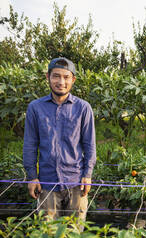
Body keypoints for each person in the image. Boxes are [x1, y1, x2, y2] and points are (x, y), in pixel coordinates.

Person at [23, 57, 96, 223]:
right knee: (48, 236)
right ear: (48, 77)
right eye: (56, 76)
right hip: (47, 183)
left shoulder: (83, 108)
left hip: (76, 182)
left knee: (75, 235)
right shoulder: (35, 108)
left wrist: (87, 174)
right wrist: (32, 176)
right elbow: (30, 144)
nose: (61, 82)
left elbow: (89, 145)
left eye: (66, 77)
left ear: (73, 79)